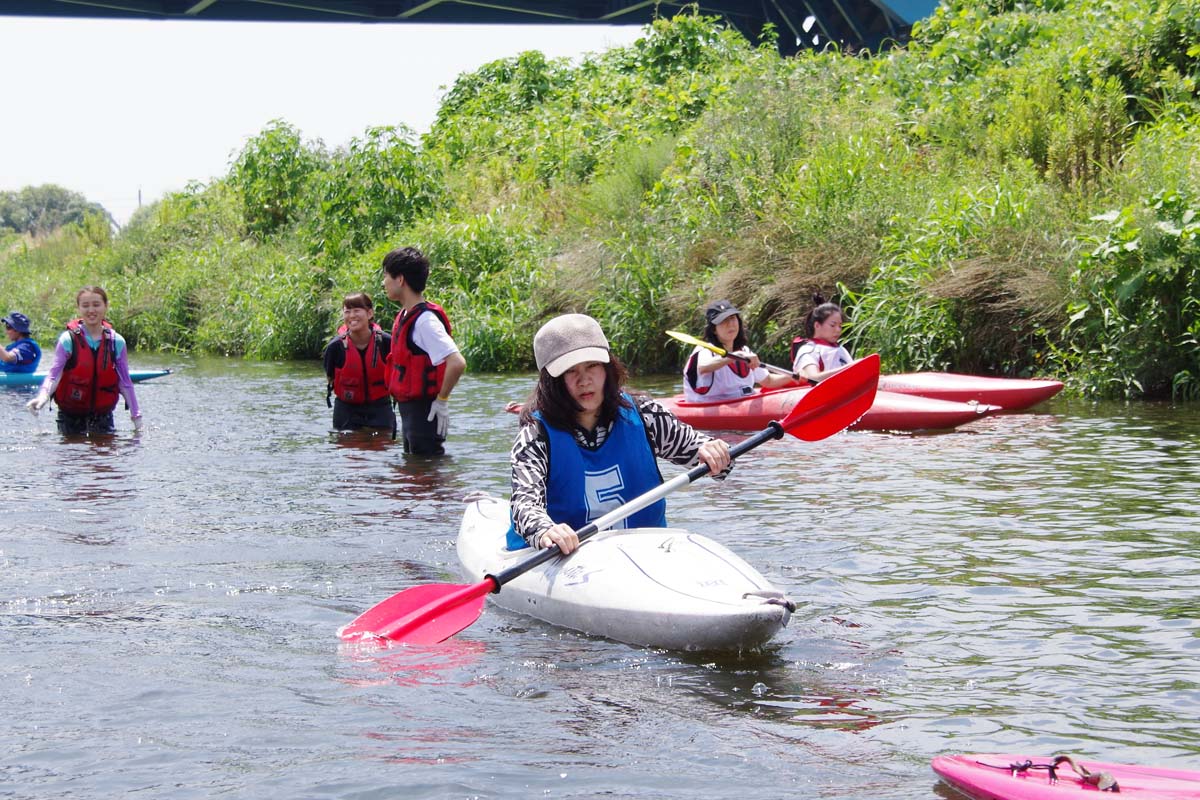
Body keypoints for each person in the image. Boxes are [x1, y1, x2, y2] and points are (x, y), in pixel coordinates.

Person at [510, 313, 732, 554]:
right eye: (570, 371)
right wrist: (544, 531)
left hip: (646, 551)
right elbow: (525, 503)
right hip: (565, 559)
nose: (585, 380)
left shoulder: (646, 415)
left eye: (593, 365)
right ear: (551, 381)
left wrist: (712, 451)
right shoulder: (535, 434)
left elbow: (700, 453)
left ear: (608, 368)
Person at [381, 246, 466, 455]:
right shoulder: (405, 315)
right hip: (411, 412)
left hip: (425, 412)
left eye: (385, 276)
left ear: (400, 280)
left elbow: (457, 362)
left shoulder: (425, 321)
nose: (383, 283)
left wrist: (442, 400)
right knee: (416, 476)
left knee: (427, 475)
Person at [25, 286, 144, 436]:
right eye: (85, 306)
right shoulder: (68, 340)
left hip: (103, 417)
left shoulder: (117, 342)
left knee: (104, 456)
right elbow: (54, 375)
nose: (91, 310)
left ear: (106, 306)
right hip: (70, 416)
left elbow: (125, 383)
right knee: (74, 454)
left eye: (96, 305)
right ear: (79, 308)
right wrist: (42, 397)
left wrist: (137, 418)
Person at [682, 299, 796, 402]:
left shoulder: (745, 350)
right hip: (711, 408)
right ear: (714, 330)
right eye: (723, 321)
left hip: (741, 402)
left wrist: (794, 376)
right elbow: (703, 367)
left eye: (732, 318)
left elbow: (769, 381)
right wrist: (735, 356)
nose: (730, 324)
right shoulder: (705, 350)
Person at [323, 292, 397, 435]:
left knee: (383, 447)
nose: (352, 315)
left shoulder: (387, 343)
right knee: (349, 452)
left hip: (380, 406)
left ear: (369, 314)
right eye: (347, 311)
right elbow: (330, 375)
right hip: (346, 409)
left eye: (357, 310)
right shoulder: (335, 347)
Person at [791, 294, 854, 384]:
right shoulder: (808, 349)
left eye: (840, 326)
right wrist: (850, 368)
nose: (838, 330)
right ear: (817, 325)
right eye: (832, 325)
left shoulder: (841, 349)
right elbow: (813, 378)